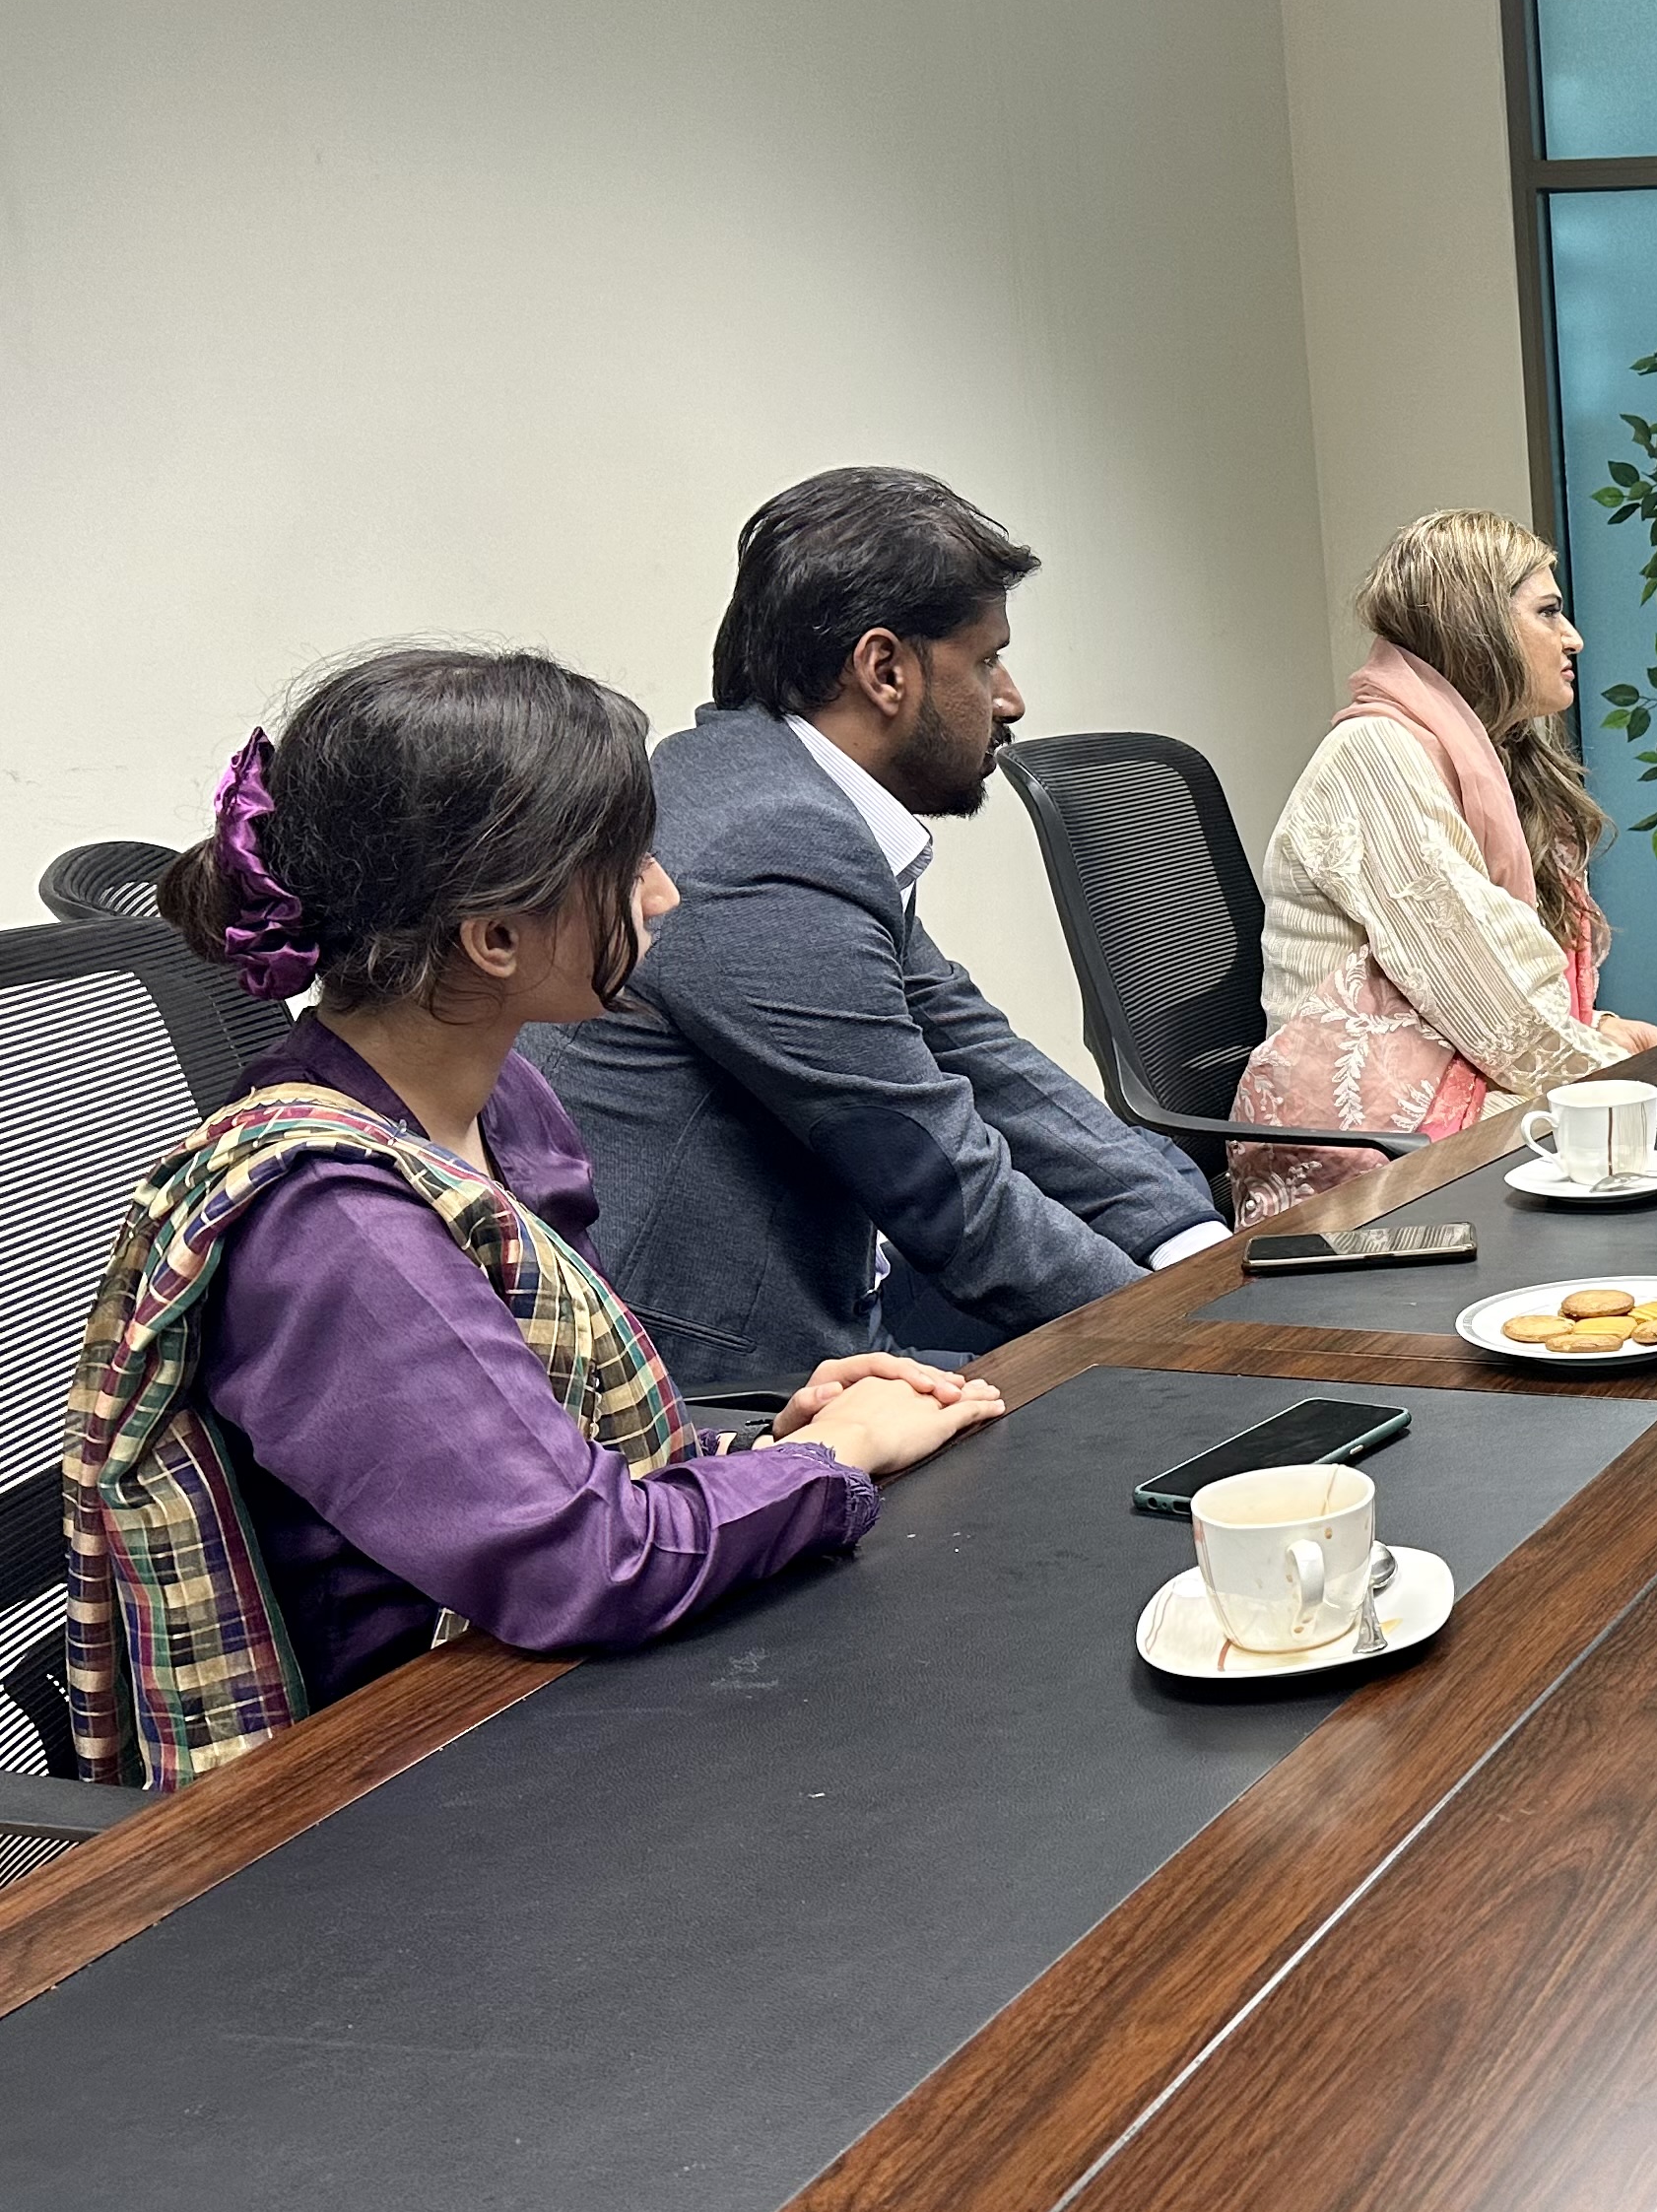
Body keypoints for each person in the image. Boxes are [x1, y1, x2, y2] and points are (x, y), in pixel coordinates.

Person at [62, 648, 1004, 1789]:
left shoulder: (497, 1101)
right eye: (627, 864)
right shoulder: (331, 1224)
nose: (663, 892)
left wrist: (751, 1452)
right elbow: (582, 1561)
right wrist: (827, 1458)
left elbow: (549, 1453)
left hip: (548, 1692)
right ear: (495, 938)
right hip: (412, 1779)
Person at [538, 467, 1226, 1389]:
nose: (1010, 698)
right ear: (885, 670)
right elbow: (941, 1184)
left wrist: (1196, 1242)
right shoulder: (768, 845)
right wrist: (1197, 1342)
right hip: (720, 1386)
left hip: (823, 1290)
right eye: (986, 661)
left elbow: (980, 1053)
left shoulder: (770, 791)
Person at [1230, 510, 1657, 1221]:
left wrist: (1607, 1031)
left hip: (1461, 1088)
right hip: (1373, 1158)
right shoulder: (1374, 757)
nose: (1573, 638)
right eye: (1548, 612)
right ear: (1476, 627)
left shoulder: (1493, 756)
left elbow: (1497, 981)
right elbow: (1487, 999)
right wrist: (1652, 1083)